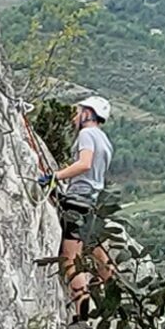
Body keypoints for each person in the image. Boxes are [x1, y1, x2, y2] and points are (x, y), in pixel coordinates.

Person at [37, 96, 115, 307]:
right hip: (91, 202)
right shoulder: (104, 140)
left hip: (78, 202)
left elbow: (84, 164)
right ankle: (111, 293)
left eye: (78, 112)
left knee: (70, 259)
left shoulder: (87, 134)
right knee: (98, 252)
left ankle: (82, 315)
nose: (74, 117)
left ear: (88, 114)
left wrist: (56, 176)